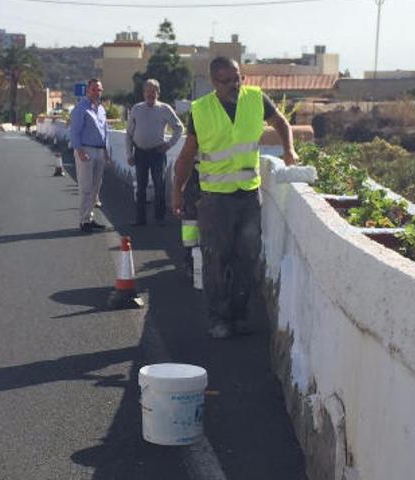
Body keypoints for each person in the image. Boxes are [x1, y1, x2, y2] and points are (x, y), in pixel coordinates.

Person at [171, 57, 299, 339]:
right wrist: (177, 192)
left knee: (246, 257)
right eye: (226, 81)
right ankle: (218, 318)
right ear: (214, 83)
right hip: (215, 199)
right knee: (216, 258)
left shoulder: (255, 99)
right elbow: (186, 155)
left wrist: (289, 150)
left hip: (248, 195)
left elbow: (281, 123)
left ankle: (239, 315)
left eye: (237, 78)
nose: (234, 85)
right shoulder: (201, 110)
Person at [125, 79, 184, 226]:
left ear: (158, 93)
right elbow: (128, 134)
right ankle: (140, 219)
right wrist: (129, 154)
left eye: (153, 91)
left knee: (160, 186)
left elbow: (179, 128)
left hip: (157, 153)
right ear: (143, 93)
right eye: (147, 91)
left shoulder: (165, 109)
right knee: (141, 187)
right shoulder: (137, 109)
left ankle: (159, 218)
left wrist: (169, 144)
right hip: (140, 153)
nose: (150, 94)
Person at [69, 78, 110, 233]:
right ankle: (84, 220)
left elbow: (105, 131)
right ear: (87, 91)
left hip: (100, 150)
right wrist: (79, 150)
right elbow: (74, 131)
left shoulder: (101, 109)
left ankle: (90, 217)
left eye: (99, 89)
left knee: (95, 187)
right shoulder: (81, 109)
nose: (96, 92)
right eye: (93, 89)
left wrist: (106, 151)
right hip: (86, 149)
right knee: (86, 186)